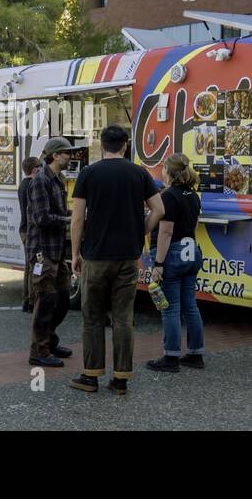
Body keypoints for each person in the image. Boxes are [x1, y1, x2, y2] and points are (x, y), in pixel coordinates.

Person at [69, 125, 164, 395]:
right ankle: (121, 378)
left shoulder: (89, 173)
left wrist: (75, 253)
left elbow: (77, 218)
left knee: (93, 317)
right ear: (125, 146)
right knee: (124, 318)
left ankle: (91, 375)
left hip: (96, 257)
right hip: (127, 257)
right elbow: (159, 209)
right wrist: (140, 231)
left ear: (102, 145)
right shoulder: (139, 173)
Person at [146, 154, 205, 373]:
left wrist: (159, 263)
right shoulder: (193, 195)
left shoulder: (169, 196)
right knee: (190, 305)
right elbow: (194, 223)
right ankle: (195, 353)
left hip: (173, 253)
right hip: (192, 252)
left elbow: (166, 231)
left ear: (169, 172)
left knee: (170, 308)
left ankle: (170, 357)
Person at [27, 138, 76, 368]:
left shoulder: (59, 179)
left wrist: (75, 213)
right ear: (55, 156)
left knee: (63, 299)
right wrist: (70, 219)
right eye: (66, 153)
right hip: (43, 251)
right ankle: (39, 350)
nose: (70, 157)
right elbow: (41, 218)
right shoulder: (40, 181)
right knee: (45, 301)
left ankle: (50, 340)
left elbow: (56, 211)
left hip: (57, 250)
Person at [17, 156, 44, 313]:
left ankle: (27, 301)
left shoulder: (23, 184)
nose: (42, 168)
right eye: (40, 166)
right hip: (30, 230)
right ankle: (33, 301)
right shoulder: (33, 185)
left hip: (24, 229)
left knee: (29, 266)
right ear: (35, 169)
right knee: (35, 266)